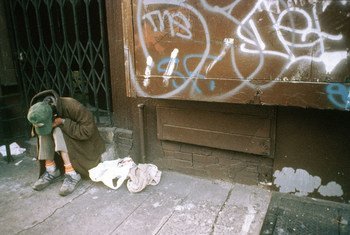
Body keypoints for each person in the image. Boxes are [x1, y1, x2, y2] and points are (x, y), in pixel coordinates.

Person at [27, 90, 105, 196]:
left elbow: (87, 131)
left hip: (86, 143)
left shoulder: (72, 105)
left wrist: (63, 122)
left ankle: (71, 173)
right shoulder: (39, 109)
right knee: (44, 131)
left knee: (57, 130)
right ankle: (51, 169)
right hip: (67, 139)